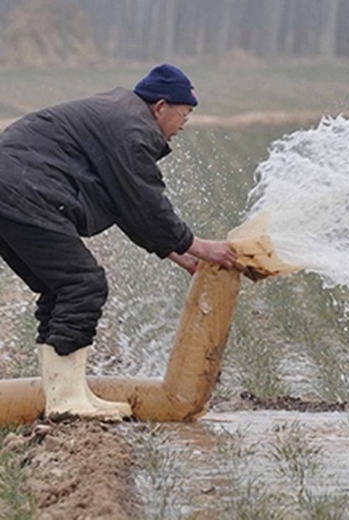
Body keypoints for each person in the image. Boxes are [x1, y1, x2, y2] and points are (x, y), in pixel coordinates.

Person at [0, 63, 237, 421]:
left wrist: (180, 254)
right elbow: (144, 201)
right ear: (160, 107)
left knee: (61, 288)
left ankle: (68, 394)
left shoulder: (118, 118)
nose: (182, 127)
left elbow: (126, 204)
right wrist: (200, 246)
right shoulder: (130, 128)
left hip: (16, 190)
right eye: (183, 116)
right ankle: (66, 402)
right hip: (24, 191)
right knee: (83, 284)